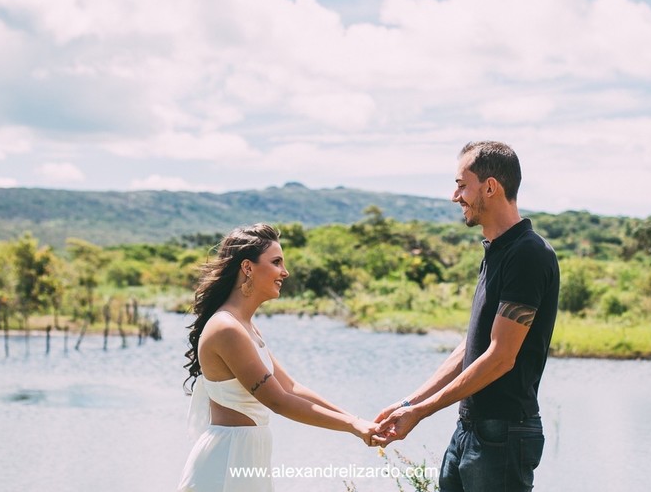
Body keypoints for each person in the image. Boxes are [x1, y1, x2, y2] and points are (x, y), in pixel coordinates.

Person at [376, 141, 559, 491]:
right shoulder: (497, 250)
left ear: (490, 187)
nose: (454, 196)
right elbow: (471, 347)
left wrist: (421, 412)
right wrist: (409, 402)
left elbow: (501, 357)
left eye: (462, 185)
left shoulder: (528, 254)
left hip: (503, 436)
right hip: (471, 430)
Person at [178, 223, 382, 491]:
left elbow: (291, 387)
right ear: (247, 268)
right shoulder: (227, 328)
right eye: (276, 262)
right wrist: (353, 426)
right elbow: (278, 400)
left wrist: (358, 421)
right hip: (225, 460)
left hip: (247, 457)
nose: (284, 272)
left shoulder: (244, 325)